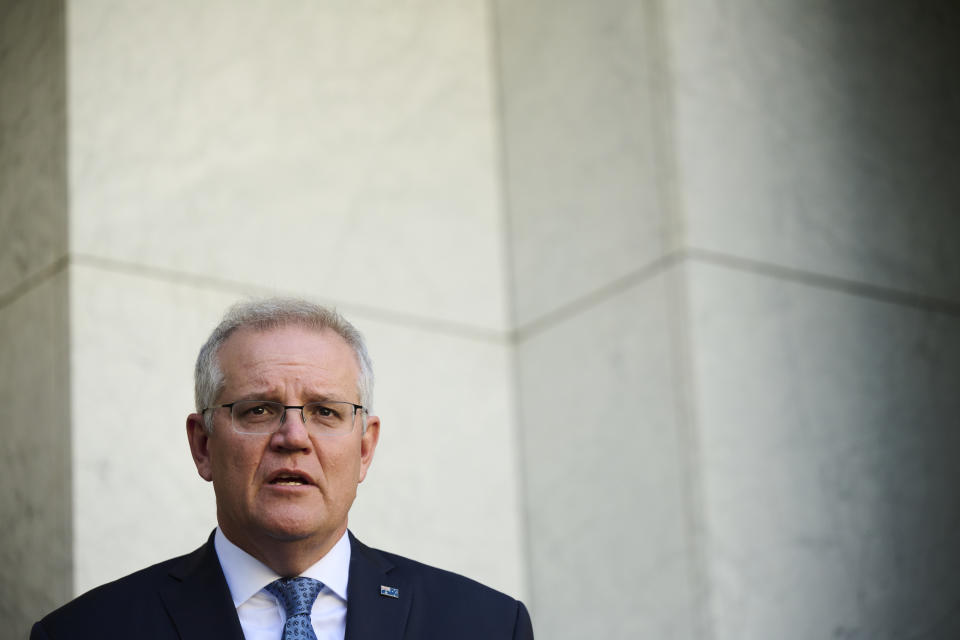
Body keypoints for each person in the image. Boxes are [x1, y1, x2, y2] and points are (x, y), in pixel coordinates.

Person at [31, 298, 533, 639]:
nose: (293, 438)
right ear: (202, 445)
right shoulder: (86, 631)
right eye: (258, 410)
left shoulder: (484, 625)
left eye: (325, 412)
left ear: (364, 449)